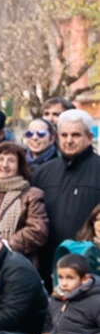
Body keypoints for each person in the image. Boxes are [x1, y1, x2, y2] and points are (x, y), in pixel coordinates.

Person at [34, 109, 100, 257]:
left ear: (89, 137)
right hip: (49, 261)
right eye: (64, 135)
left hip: (90, 262)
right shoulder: (42, 173)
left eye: (76, 135)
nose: (69, 140)